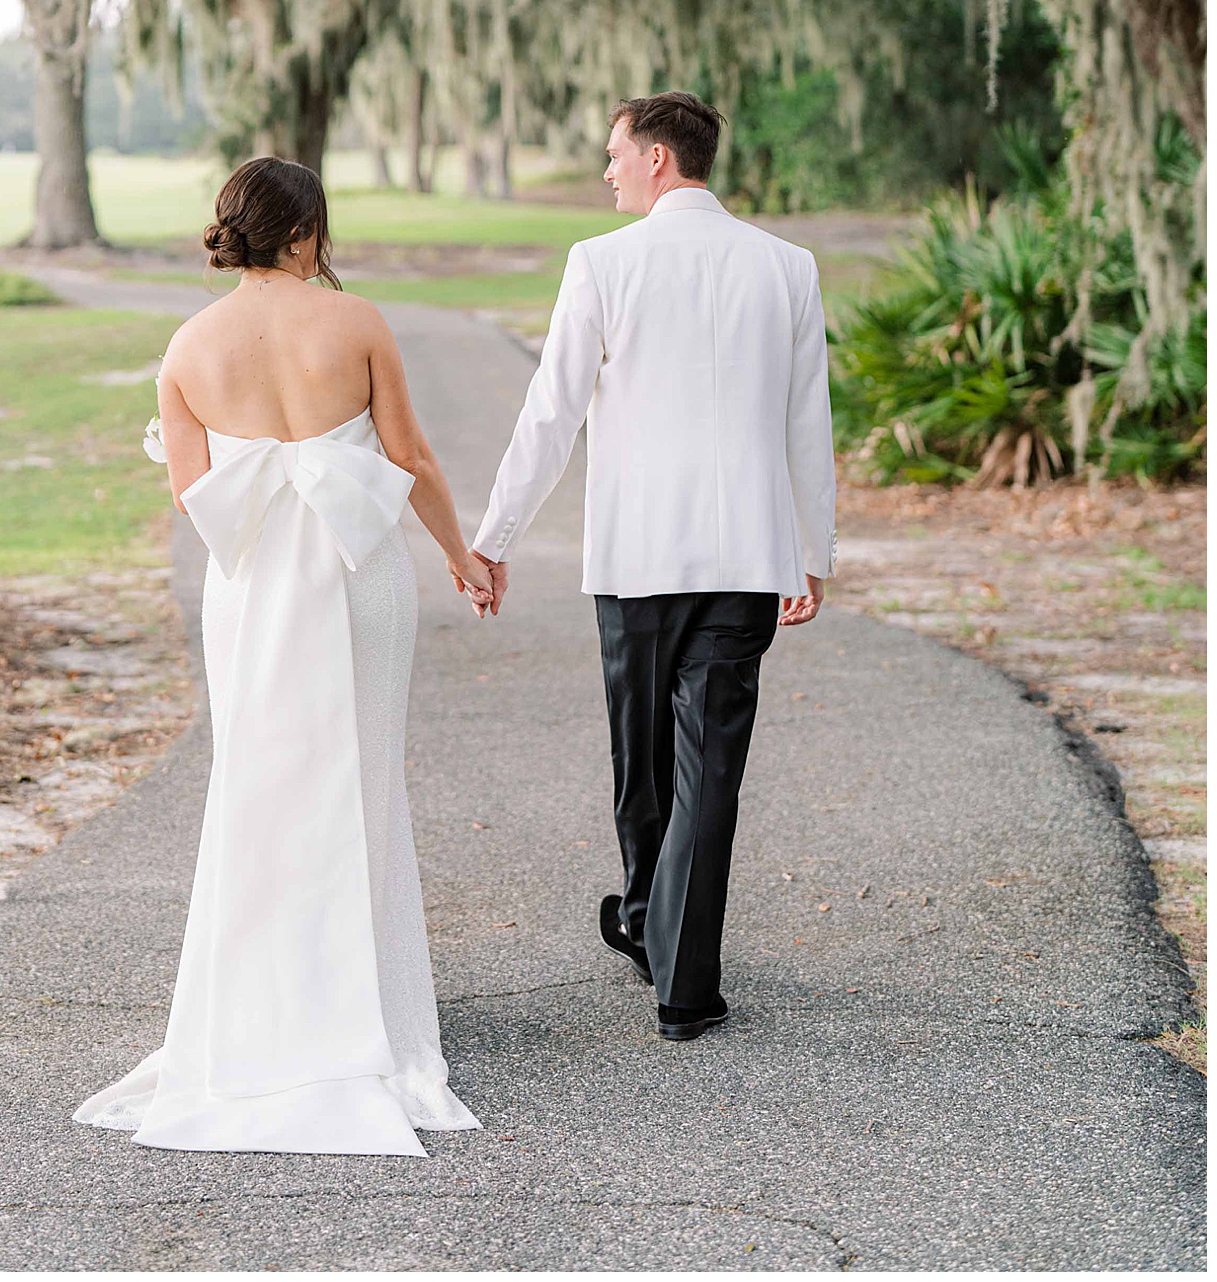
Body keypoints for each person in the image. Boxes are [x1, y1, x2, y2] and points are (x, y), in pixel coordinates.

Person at [74, 156, 487, 1157]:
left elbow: (190, 492)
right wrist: (460, 553)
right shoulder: (355, 323)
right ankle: (370, 1016)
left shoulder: (187, 345)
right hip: (355, 573)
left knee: (260, 782)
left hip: (252, 585)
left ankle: (263, 1007)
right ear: (305, 230)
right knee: (361, 778)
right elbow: (413, 458)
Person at [470, 92, 835, 1043]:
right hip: (748, 555)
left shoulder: (602, 263)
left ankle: (658, 938)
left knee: (641, 760)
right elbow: (809, 423)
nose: (607, 172)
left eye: (615, 155)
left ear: (661, 160)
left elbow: (551, 413)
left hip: (637, 557)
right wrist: (810, 551)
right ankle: (664, 950)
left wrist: (495, 534)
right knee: (708, 766)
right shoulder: (786, 266)